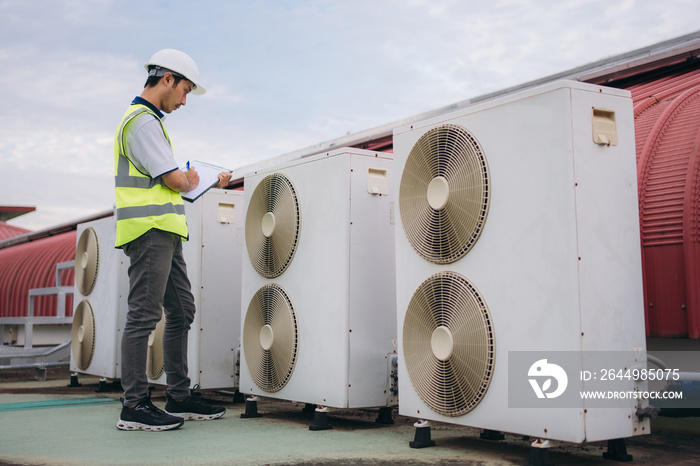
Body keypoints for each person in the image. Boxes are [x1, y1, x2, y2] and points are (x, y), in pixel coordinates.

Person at [113, 48, 232, 431]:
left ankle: (179, 397)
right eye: (184, 90)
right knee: (143, 316)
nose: (184, 101)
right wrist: (195, 178)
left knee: (182, 311)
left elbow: (171, 183)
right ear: (166, 79)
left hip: (164, 232)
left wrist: (202, 181)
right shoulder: (143, 122)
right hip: (148, 232)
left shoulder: (148, 122)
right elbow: (175, 180)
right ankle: (134, 405)